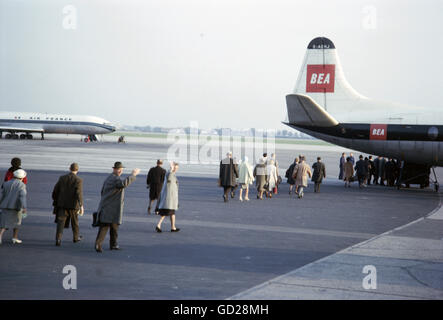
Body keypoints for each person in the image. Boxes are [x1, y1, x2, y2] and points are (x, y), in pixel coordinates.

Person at [94, 162, 140, 253]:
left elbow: (102, 191)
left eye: (121, 170)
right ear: (114, 169)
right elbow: (122, 184)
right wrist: (133, 175)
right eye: (119, 169)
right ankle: (106, 244)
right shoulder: (115, 179)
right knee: (107, 226)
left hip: (108, 206)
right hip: (111, 207)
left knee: (110, 227)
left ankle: (108, 244)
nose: (120, 171)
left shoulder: (110, 178)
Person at [52, 163, 84, 246]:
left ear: (69, 168)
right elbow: (79, 193)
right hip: (73, 205)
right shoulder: (78, 180)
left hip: (62, 204)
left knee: (60, 222)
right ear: (77, 170)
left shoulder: (62, 178)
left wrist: (56, 200)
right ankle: (75, 237)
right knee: (75, 222)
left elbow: (55, 190)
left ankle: (58, 239)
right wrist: (81, 205)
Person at [0, 169, 27, 245]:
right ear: (21, 178)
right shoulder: (22, 185)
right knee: (17, 222)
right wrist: (24, 207)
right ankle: (14, 237)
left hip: (5, 205)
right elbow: (22, 197)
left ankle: (0, 236)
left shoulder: (6, 184)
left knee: (3, 223)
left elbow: (2, 195)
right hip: (16, 206)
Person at [156, 162, 180, 233]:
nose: (176, 169)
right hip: (169, 200)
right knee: (165, 213)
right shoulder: (170, 174)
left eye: (177, 168)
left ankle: (173, 227)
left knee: (172, 213)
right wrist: (171, 169)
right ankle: (158, 225)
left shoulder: (173, 175)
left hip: (172, 199)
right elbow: (168, 175)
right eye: (175, 168)